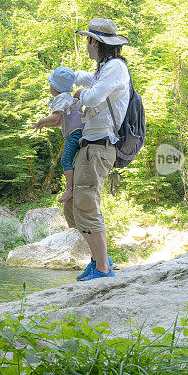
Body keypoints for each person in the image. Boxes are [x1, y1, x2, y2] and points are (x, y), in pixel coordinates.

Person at [66, 17, 131, 281]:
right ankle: (99, 260)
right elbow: (86, 78)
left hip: (100, 146)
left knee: (87, 204)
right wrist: (66, 76)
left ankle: (103, 269)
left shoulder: (115, 67)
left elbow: (92, 95)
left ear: (96, 42)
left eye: (89, 40)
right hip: (90, 146)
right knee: (73, 206)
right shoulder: (105, 68)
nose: (88, 45)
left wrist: (78, 93)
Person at [32, 66, 84, 203]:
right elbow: (60, 122)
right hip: (78, 131)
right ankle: (71, 187)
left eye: (51, 84)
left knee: (65, 159)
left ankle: (69, 189)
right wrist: (44, 124)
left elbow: (55, 118)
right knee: (70, 159)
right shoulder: (67, 97)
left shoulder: (61, 98)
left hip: (74, 133)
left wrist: (42, 120)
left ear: (55, 87)